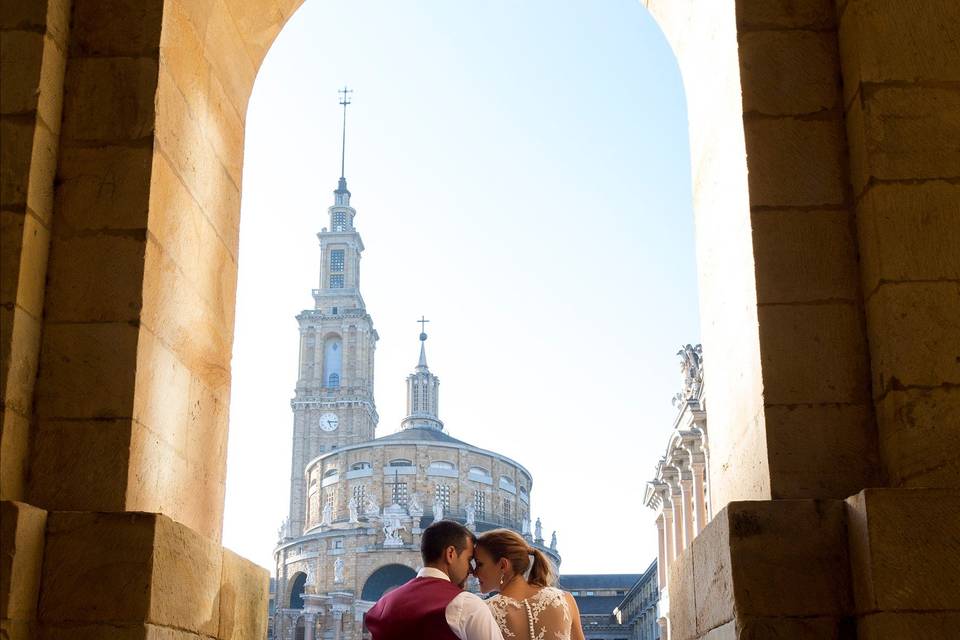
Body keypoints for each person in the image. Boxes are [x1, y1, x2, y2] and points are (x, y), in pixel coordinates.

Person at [365, 520, 504, 640]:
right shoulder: (466, 605)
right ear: (450, 554)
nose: (472, 570)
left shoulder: (382, 605)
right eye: (468, 560)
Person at [473, 529, 585, 640]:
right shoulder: (565, 600)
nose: (474, 572)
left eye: (479, 564)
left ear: (503, 565)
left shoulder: (483, 611)